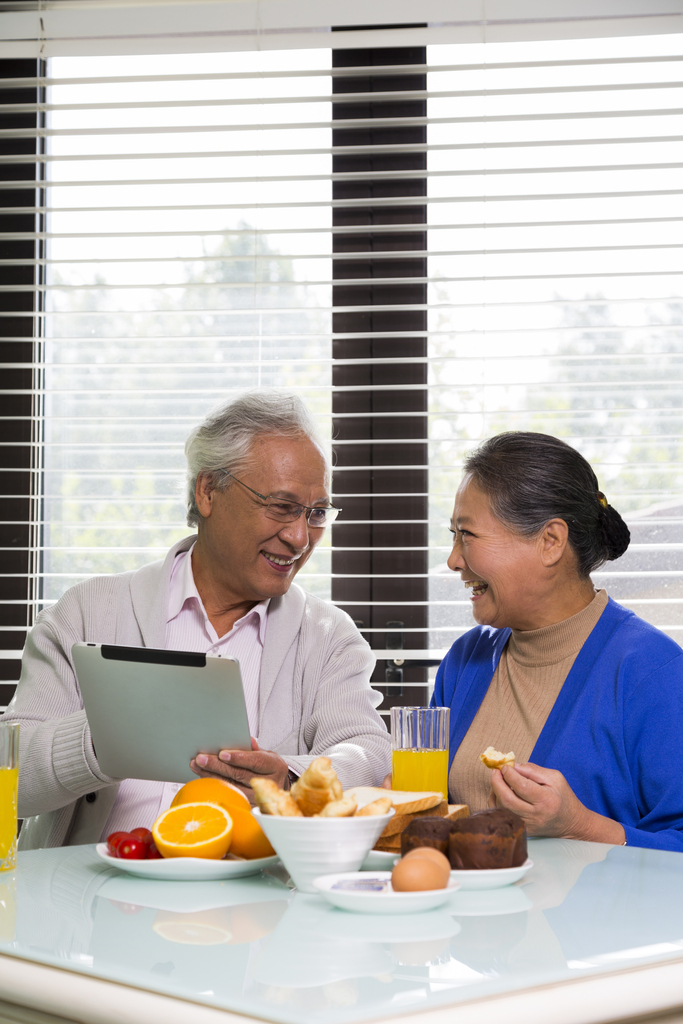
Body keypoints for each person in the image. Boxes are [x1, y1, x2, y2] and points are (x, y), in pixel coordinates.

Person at [8, 391, 390, 849]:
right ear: (208, 492)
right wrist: (106, 735)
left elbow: (368, 752)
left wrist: (289, 779)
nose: (299, 537)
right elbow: (13, 778)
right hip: (88, 896)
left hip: (252, 906)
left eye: (316, 514)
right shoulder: (87, 612)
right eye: (282, 507)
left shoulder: (328, 638)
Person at [433, 431, 683, 851]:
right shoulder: (464, 660)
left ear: (550, 541)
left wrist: (580, 826)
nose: (454, 559)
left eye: (467, 535)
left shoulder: (653, 673)